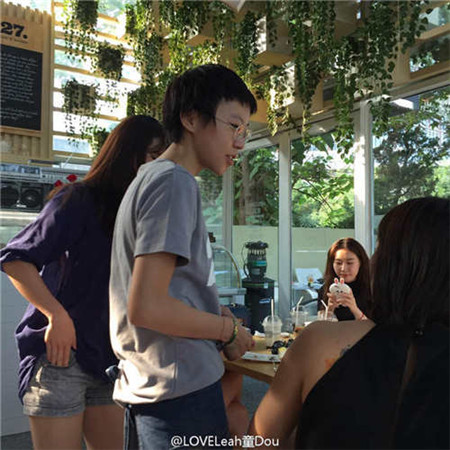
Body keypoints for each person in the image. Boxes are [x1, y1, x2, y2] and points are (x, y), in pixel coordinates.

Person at [109, 64, 256, 450]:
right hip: (179, 392)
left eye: (245, 131)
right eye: (234, 126)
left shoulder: (149, 177)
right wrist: (229, 332)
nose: (240, 142)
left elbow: (161, 293)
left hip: (153, 385)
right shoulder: (175, 182)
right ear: (191, 118)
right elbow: (148, 307)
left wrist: (215, 314)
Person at [0, 115, 166, 450]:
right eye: (153, 157)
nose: (159, 168)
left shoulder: (140, 213)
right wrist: (55, 315)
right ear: (127, 155)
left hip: (111, 359)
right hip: (61, 357)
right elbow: (16, 259)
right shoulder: (78, 199)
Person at [250, 197, 449, 449]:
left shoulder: (320, 340)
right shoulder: (327, 293)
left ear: (391, 263)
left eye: (379, 248)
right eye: (338, 262)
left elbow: (257, 441)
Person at [318, 237, 371, 321]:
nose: (343, 268)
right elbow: (322, 329)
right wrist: (330, 310)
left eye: (349, 263)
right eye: (338, 263)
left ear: (361, 262)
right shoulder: (326, 290)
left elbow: (376, 330)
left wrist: (354, 308)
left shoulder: (373, 289)